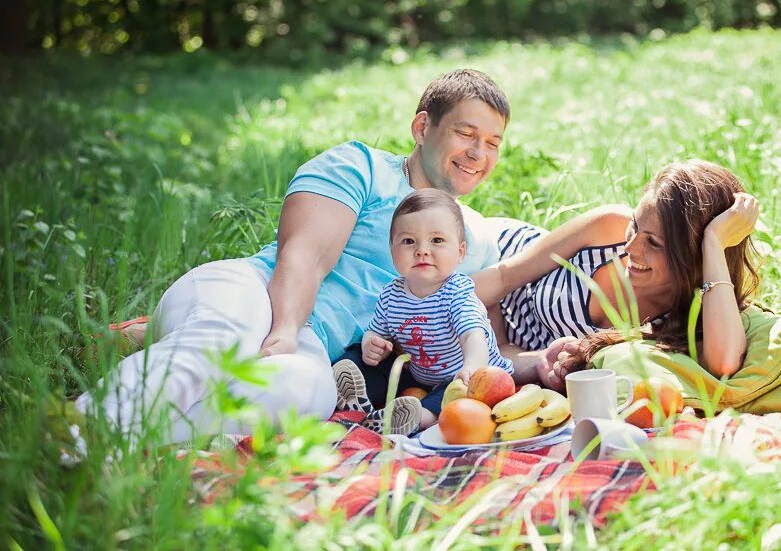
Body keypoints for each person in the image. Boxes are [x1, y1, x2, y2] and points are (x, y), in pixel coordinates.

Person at [74, 69, 511, 447]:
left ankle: (128, 435)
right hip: (257, 294)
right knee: (225, 341)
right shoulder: (359, 166)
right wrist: (282, 331)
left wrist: (551, 358)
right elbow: (305, 254)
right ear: (422, 127)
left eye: (493, 142)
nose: (479, 154)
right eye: (466, 134)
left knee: (307, 394)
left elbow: (486, 331)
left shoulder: (472, 240)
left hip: (314, 347)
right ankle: (78, 432)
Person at [469, 159, 760, 390]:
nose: (631, 247)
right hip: (478, 261)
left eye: (655, 243)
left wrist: (713, 243)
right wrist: (436, 300)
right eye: (635, 225)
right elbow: (505, 277)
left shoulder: (682, 323)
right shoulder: (608, 228)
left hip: (490, 340)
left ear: (694, 258)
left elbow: (724, 362)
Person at [332, 189, 513, 435]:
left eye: (436, 240)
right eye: (408, 241)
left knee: (454, 395)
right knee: (367, 355)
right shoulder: (391, 294)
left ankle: (419, 417)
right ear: (392, 250)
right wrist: (371, 343)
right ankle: (357, 390)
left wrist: (471, 368)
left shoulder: (457, 293)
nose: (422, 250)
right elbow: (377, 330)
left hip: (467, 376)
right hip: (419, 372)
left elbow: (473, 336)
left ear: (460, 252)